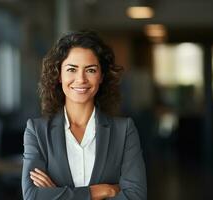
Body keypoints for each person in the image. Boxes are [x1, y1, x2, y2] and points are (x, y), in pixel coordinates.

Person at [22, 30, 147, 200]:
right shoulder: (37, 131)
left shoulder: (124, 131)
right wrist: (103, 191)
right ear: (59, 75)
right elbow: (33, 196)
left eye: (90, 70)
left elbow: (136, 196)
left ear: (101, 76)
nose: (81, 79)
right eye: (72, 69)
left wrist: (56, 194)